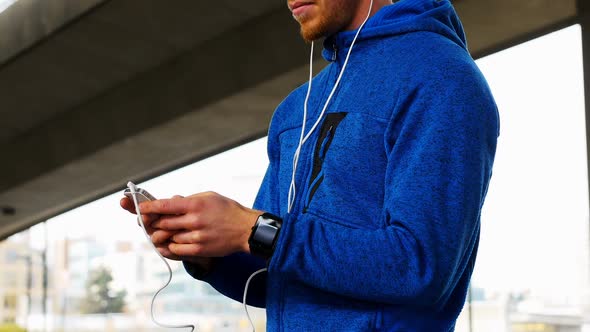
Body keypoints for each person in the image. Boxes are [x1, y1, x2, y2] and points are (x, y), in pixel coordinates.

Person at [121, 0, 499, 330]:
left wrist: (252, 229)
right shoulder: (296, 109)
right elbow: (271, 279)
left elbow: (420, 267)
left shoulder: (441, 78)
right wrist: (206, 254)